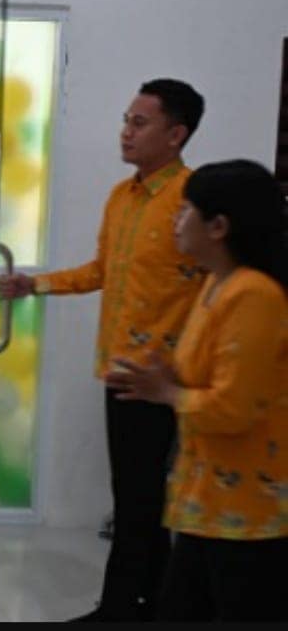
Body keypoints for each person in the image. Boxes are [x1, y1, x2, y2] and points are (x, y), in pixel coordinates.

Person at [0, 78, 206, 621]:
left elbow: (216, 287)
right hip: (119, 372)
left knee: (143, 501)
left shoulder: (193, 200)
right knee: (136, 498)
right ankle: (148, 606)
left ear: (176, 135)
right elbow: (101, 271)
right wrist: (35, 284)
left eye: (140, 123)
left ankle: (120, 610)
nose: (126, 132)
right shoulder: (122, 197)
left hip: (164, 380)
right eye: (125, 120)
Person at [106, 160, 287, 622]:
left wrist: (166, 392)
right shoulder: (214, 284)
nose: (175, 220)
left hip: (246, 513)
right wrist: (167, 376)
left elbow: (233, 409)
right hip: (203, 501)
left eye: (185, 210)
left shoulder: (254, 296)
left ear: (218, 227)